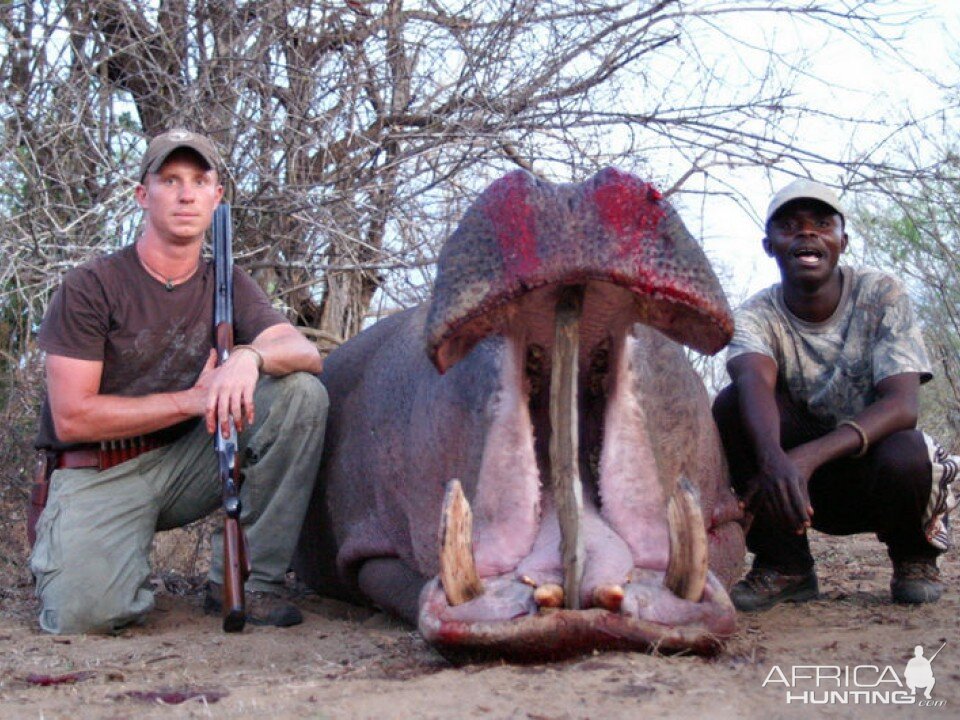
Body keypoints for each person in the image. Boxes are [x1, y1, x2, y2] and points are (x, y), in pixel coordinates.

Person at [29, 129, 328, 634]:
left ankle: (248, 582)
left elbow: (304, 352)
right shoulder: (92, 286)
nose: (186, 194)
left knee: (300, 394)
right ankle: (105, 560)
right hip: (102, 469)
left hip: (190, 465)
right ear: (143, 195)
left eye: (199, 180)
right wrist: (194, 400)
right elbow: (74, 417)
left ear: (217, 197)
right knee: (83, 616)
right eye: (170, 180)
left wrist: (249, 358)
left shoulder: (227, 281)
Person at [712, 178, 957, 612]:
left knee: (909, 450)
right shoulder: (755, 315)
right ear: (768, 245)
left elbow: (903, 405)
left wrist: (803, 459)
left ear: (843, 240)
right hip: (793, 491)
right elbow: (752, 382)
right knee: (731, 405)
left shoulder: (881, 292)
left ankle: (913, 557)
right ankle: (786, 565)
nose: (807, 233)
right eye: (790, 225)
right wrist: (773, 459)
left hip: (876, 474)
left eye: (822, 223)